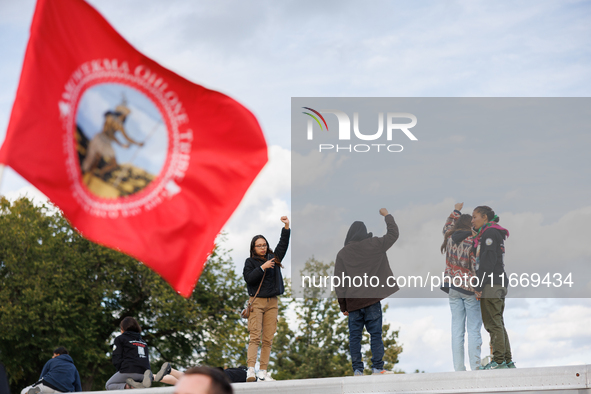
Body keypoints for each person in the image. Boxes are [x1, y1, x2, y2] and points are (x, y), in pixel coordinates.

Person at [334, 208, 400, 376]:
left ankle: (357, 370)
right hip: (371, 300)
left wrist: (343, 306)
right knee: (376, 334)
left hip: (353, 302)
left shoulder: (343, 254)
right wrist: (387, 216)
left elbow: (339, 282)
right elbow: (393, 234)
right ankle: (378, 368)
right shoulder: (375, 244)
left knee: (355, 337)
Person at [242, 216, 291, 382]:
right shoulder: (250, 262)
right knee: (255, 337)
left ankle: (262, 372)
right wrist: (262, 268)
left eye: (264, 245)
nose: (263, 248)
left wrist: (286, 227)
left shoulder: (274, 259)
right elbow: (249, 279)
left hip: (272, 302)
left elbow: (282, 245)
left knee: (268, 339)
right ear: (254, 248)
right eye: (259, 246)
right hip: (257, 303)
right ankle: (250, 370)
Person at [472, 206, 515, 370]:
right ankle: (507, 360)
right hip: (499, 281)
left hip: (491, 283)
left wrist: (478, 284)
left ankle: (498, 361)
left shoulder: (489, 234)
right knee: (498, 322)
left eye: (475, 217)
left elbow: (488, 262)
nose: (472, 220)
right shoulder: (494, 233)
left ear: (484, 217)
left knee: (492, 323)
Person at [440, 203, 482, 371]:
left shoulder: (449, 237)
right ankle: (476, 367)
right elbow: (475, 267)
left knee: (457, 329)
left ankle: (458, 368)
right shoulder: (473, 241)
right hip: (469, 289)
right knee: (473, 329)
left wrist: (455, 211)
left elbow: (446, 226)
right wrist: (479, 288)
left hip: (452, 288)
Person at [106, 317, 173, 390]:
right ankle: (144, 380)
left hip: (128, 370)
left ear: (123, 328)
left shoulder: (120, 339)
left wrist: (120, 371)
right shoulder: (143, 342)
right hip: (144, 372)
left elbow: (116, 359)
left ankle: (129, 386)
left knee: (109, 384)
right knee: (138, 385)